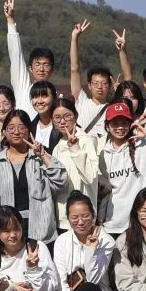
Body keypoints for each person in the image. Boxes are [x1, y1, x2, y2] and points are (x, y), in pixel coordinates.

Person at [49, 192, 117, 291]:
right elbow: (61, 283)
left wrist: (90, 249)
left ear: (93, 216)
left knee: (87, 290)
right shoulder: (61, 241)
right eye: (75, 217)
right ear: (68, 218)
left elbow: (93, 279)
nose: (80, 222)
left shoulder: (106, 241)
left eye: (85, 216)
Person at [0, 109, 67, 244]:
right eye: (11, 128)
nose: (16, 132)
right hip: (9, 230)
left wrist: (43, 155)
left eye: (22, 127)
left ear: (29, 130)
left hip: (40, 229)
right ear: (4, 132)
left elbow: (61, 181)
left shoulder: (39, 157)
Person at [96, 103, 146, 237]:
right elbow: (106, 191)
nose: (120, 127)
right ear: (107, 126)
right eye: (115, 123)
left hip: (142, 223)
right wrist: (100, 219)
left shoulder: (144, 147)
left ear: (131, 124)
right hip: (114, 224)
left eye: (124, 123)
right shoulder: (103, 154)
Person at [3, 0, 57, 118]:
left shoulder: (57, 96)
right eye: (37, 64)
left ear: (52, 69)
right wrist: (10, 20)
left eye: (45, 64)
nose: (41, 69)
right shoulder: (23, 87)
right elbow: (15, 56)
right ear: (30, 68)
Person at [51, 97, 100, 229]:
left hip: (84, 218)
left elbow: (90, 177)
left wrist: (75, 149)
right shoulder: (57, 147)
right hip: (63, 218)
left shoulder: (87, 141)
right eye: (57, 118)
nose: (62, 121)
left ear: (76, 116)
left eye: (67, 116)